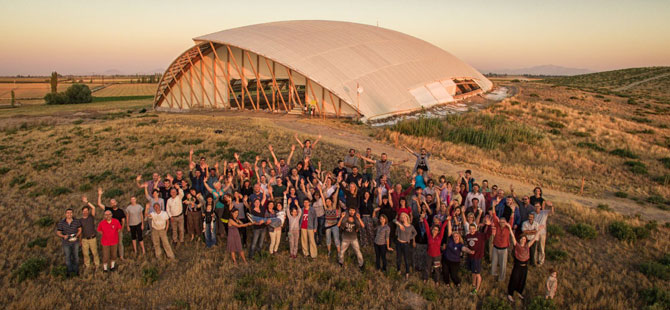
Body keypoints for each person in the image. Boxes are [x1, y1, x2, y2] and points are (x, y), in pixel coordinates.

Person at [507, 224, 536, 302]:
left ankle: (519, 292)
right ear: (519, 240)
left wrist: (539, 231)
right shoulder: (517, 246)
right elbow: (513, 237)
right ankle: (510, 294)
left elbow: (534, 240)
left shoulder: (527, 246)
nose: (523, 240)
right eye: (522, 239)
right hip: (517, 266)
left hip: (524, 266)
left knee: (522, 279)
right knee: (514, 279)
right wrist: (510, 228)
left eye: (524, 239)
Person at [465, 217, 492, 295]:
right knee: (473, 272)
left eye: (473, 228)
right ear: (469, 229)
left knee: (477, 274)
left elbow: (488, 234)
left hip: (477, 257)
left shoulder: (480, 235)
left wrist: (489, 225)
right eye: (470, 228)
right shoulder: (468, 236)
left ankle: (476, 289)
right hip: (471, 257)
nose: (472, 230)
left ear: (476, 229)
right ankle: (473, 284)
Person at [441, 218, 473, 287]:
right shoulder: (450, 240)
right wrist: (449, 220)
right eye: (454, 236)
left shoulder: (460, 245)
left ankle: (457, 283)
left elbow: (464, 248)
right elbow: (450, 230)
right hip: (446, 260)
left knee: (453, 275)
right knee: (445, 272)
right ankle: (447, 283)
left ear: (459, 237)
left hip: (454, 262)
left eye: (457, 236)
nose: (455, 237)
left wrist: (469, 251)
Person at [97, 188, 126, 260]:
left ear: (116, 203)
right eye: (111, 203)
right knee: (111, 244)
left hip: (118, 230)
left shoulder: (120, 211)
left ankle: (121, 256)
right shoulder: (108, 210)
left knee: (119, 243)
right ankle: (113, 257)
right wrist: (99, 195)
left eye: (114, 202)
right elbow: (99, 204)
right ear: (110, 204)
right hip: (109, 231)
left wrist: (122, 229)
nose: (113, 204)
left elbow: (123, 220)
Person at [422, 214, 448, 283]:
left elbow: (443, 228)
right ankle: (426, 278)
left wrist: (446, 220)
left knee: (437, 269)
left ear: (438, 231)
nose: (435, 231)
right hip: (429, 255)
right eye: (434, 229)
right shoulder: (429, 236)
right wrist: (424, 219)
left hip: (437, 256)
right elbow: (427, 227)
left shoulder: (439, 237)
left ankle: (437, 281)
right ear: (432, 229)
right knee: (427, 267)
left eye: (436, 230)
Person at [56, 208, 82, 276]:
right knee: (68, 257)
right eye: (68, 213)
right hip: (66, 243)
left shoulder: (76, 221)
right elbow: (58, 232)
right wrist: (63, 236)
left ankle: (76, 271)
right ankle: (69, 271)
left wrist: (76, 236)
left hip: (75, 242)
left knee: (76, 256)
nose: (69, 214)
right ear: (65, 214)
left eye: (70, 213)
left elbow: (80, 229)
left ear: (72, 214)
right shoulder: (61, 222)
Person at [491, 211, 513, 282]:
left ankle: (501, 278)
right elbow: (494, 216)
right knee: (494, 263)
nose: (501, 223)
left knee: (503, 265)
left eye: (503, 222)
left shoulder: (507, 228)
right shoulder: (497, 225)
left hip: (503, 249)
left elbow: (512, 219)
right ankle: (493, 275)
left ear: (506, 222)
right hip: (495, 248)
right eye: (500, 222)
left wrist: (512, 211)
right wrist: (494, 206)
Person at [394, 212, 417, 280]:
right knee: (398, 258)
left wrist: (409, 238)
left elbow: (415, 233)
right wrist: (399, 225)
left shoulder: (411, 226)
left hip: (406, 244)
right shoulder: (399, 224)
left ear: (407, 217)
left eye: (404, 217)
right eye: (401, 217)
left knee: (406, 259)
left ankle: (407, 272)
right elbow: (394, 220)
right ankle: (398, 270)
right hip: (399, 243)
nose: (403, 218)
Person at [80, 196, 100, 270]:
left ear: (88, 211)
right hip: (84, 239)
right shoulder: (80, 220)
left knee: (95, 252)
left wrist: (87, 202)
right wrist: (80, 240)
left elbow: (94, 208)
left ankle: (97, 264)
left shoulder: (91, 217)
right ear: (82, 212)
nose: (85, 212)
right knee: (85, 254)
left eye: (86, 211)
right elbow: (80, 231)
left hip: (92, 238)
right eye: (84, 211)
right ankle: (87, 265)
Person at [534, 201, 554, 265]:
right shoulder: (532, 213)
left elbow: (552, 212)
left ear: (540, 207)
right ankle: (534, 260)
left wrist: (551, 206)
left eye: (538, 206)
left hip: (542, 233)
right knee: (535, 247)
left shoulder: (544, 212)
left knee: (541, 247)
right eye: (535, 206)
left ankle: (541, 261)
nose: (537, 207)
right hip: (535, 233)